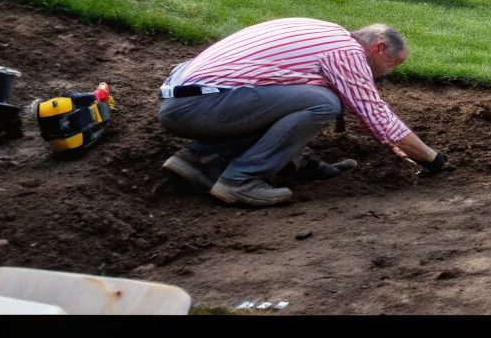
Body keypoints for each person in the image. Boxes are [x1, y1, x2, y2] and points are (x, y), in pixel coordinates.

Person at [158, 19, 446, 206]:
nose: (386, 73)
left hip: (187, 98)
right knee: (323, 103)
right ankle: (239, 179)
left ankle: (198, 159)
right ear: (379, 47)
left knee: (320, 98)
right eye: (391, 65)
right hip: (197, 105)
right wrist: (432, 158)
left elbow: (278, 99)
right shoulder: (346, 52)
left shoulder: (329, 34)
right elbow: (376, 114)